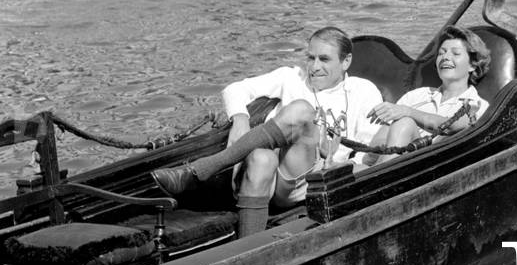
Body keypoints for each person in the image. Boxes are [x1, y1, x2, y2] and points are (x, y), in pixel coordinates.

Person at [152, 26, 383, 237]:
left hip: (320, 179)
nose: (314, 67)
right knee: (261, 158)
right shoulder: (291, 77)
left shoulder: (363, 91)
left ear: (346, 61)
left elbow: (368, 155)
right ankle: (246, 249)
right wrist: (240, 119)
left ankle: (200, 170)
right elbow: (235, 89)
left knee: (302, 110)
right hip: (277, 178)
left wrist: (339, 164)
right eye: (310, 58)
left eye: (324, 59)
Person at [362, 25, 491, 166]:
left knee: (405, 123)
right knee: (354, 167)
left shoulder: (477, 105)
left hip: (433, 168)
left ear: (473, 65)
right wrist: (391, 143)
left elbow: (452, 126)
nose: (446, 57)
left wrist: (408, 113)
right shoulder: (414, 96)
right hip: (385, 164)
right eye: (441, 53)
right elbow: (376, 145)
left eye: (455, 53)